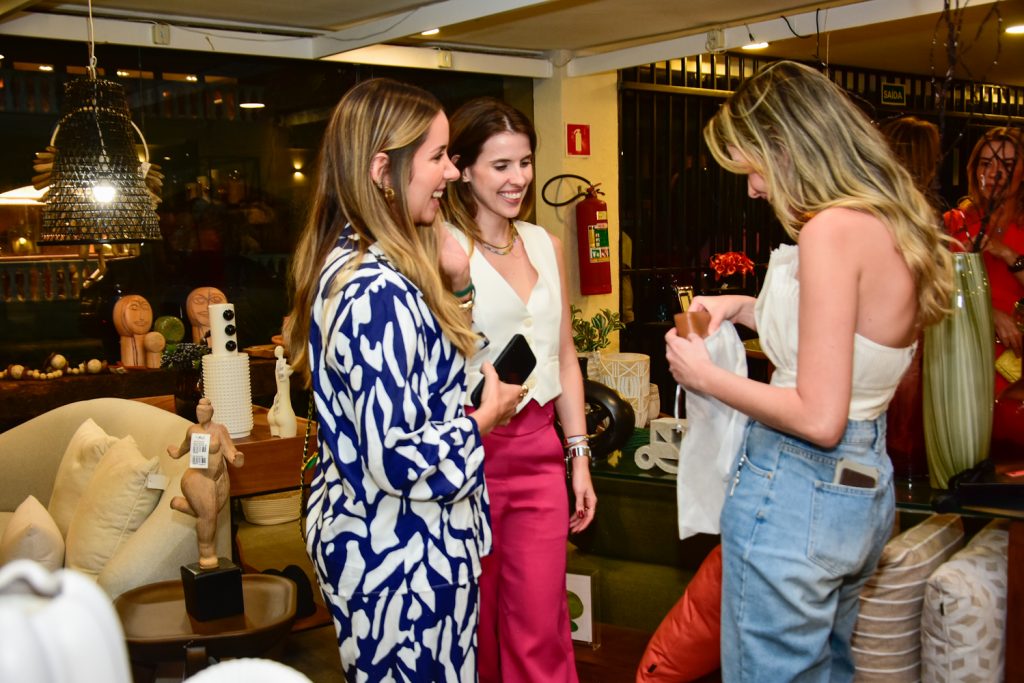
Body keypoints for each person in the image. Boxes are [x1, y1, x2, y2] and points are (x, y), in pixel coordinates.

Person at [664, 61, 953, 682]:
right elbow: (850, 343)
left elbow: (819, 417)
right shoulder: (887, 225)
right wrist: (739, 306)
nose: (753, 189)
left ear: (787, 147)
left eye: (753, 168)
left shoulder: (829, 231)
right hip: (862, 487)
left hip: (799, 485)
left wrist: (705, 377)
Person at [284, 78, 522, 682]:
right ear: (382, 169)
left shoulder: (370, 268)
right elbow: (398, 459)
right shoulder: (373, 291)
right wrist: (485, 419)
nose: (449, 171)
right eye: (438, 156)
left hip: (400, 549)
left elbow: (428, 388)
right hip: (400, 562)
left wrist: (459, 283)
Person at [442, 97, 597, 683]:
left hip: (537, 451)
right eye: (500, 166)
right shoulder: (442, 251)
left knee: (539, 621)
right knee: (476, 625)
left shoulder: (544, 244)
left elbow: (566, 359)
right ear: (462, 168)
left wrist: (577, 457)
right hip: (469, 453)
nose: (518, 179)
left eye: (525, 162)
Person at [944, 126, 1024, 394]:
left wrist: (1007, 253)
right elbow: (935, 293)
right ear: (974, 169)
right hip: (961, 359)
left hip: (1015, 362)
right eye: (986, 163)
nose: (995, 173)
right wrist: (987, 313)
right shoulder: (954, 223)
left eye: (1008, 165)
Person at [167, 397, 243, 569]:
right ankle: (207, 553)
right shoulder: (192, 430)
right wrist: (177, 453)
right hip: (197, 478)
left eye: (204, 412)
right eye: (198, 412)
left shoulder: (219, 430)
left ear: (211, 413)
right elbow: (185, 446)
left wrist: (235, 457)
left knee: (211, 512)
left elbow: (229, 449)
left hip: (218, 479)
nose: (200, 415)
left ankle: (182, 505)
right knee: (208, 516)